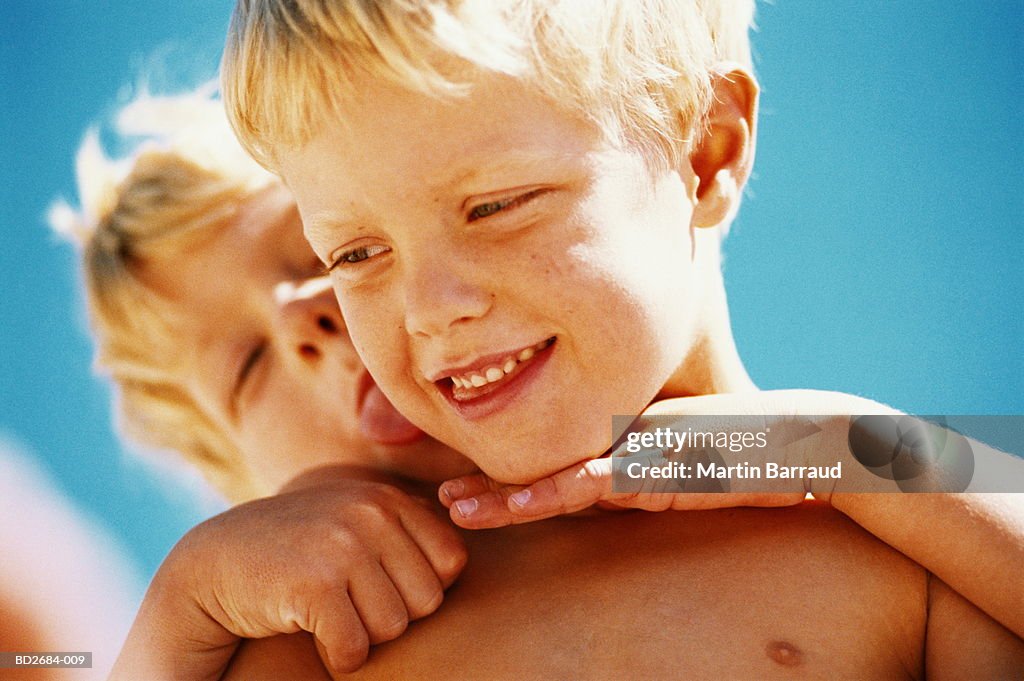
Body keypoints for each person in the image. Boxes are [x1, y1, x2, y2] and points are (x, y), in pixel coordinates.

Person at [214, 0, 1023, 675]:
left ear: (705, 153)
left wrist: (853, 446)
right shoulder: (346, 616)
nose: (430, 307)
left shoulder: (910, 546)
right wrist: (181, 614)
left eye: (496, 205)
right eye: (356, 254)